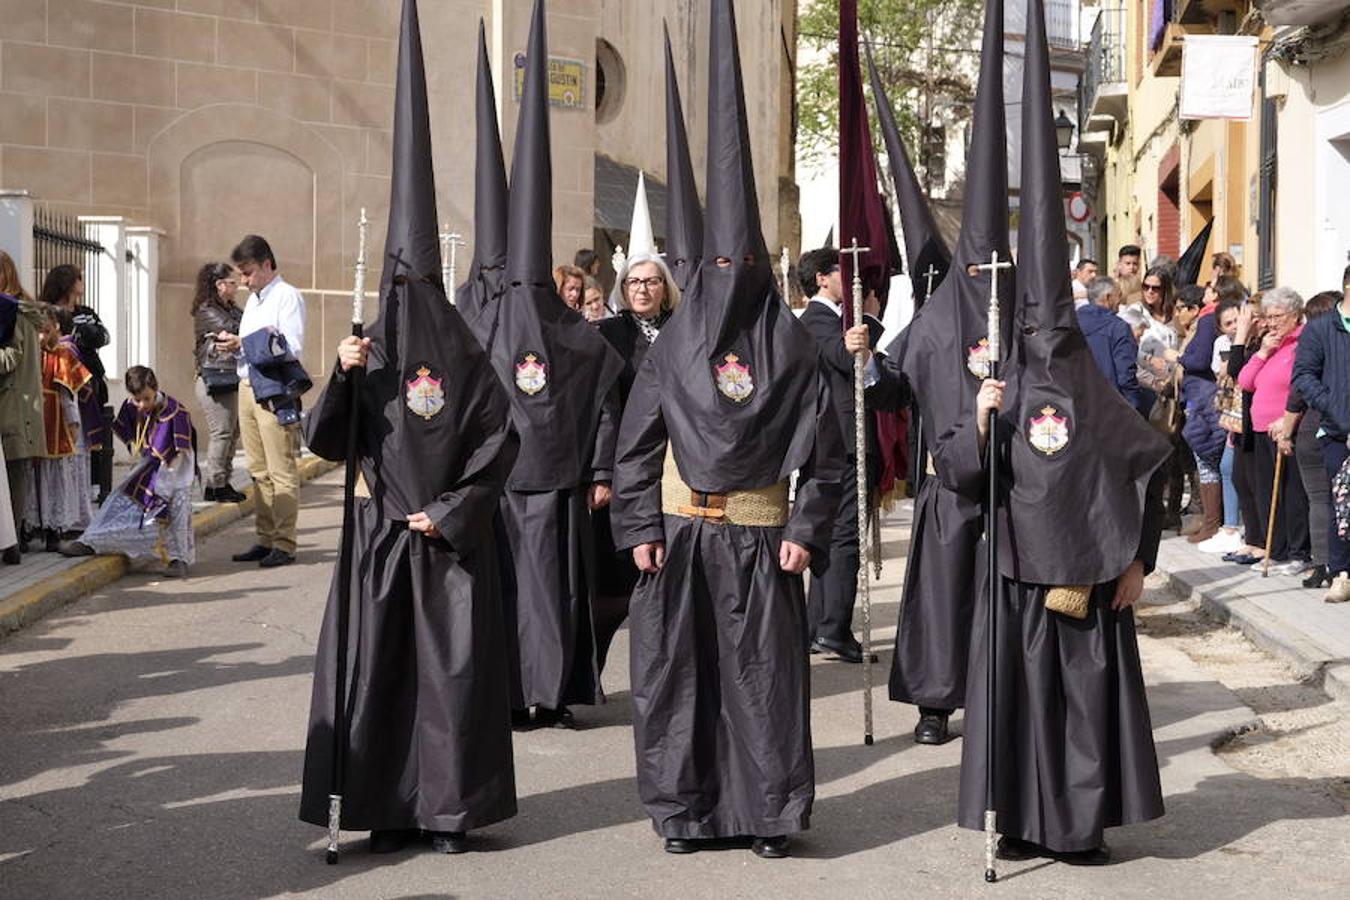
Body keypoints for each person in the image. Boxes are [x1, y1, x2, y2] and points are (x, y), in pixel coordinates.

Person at [613, 0, 844, 859]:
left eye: (742, 263)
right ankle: (685, 811)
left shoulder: (791, 346)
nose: (729, 275)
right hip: (679, 536)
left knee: (762, 683)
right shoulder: (673, 346)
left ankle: (769, 815)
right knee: (677, 679)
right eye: (716, 264)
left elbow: (828, 458)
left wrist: (807, 532)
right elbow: (636, 444)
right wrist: (638, 524)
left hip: (758, 538)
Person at [298, 0, 519, 856]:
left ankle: (449, 812)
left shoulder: (467, 355)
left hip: (446, 543)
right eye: (400, 287)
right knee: (378, 676)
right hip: (378, 535)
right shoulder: (369, 351)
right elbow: (327, 441)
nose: (409, 302)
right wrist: (343, 375)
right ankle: (383, 808)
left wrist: (452, 511)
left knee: (449, 680)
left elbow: (499, 442)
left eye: (419, 285)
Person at [956, 2, 1171, 864]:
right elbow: (967, 478)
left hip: (1085, 577)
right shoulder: (1002, 383)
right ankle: (1015, 819)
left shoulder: (1095, 384)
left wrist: (1136, 561)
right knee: (1016, 706)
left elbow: (1150, 465)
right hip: (1015, 574)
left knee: (1080, 708)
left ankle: (1077, 828)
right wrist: (980, 423)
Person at [488, 3, 624, 729]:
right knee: (510, 594)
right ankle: (513, 692)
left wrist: (600, 472)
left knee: (557, 594)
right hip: (501, 488)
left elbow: (604, 406)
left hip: (561, 488)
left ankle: (558, 690)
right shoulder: (484, 329)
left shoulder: (579, 337)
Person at [797, 245, 901, 662]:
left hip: (837, 444)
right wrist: (870, 318)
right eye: (842, 271)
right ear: (821, 279)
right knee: (843, 538)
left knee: (830, 537)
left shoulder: (830, 320)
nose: (853, 280)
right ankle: (833, 628)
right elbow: (843, 357)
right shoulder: (817, 320)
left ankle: (817, 625)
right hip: (840, 444)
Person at [592, 252, 679, 672]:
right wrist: (602, 473)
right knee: (613, 585)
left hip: (675, 464)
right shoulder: (607, 334)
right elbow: (602, 408)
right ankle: (591, 669)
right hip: (625, 464)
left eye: (651, 281)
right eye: (633, 282)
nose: (642, 289)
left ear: (666, 288)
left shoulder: (682, 330)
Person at [219, 234, 306, 568]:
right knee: (258, 470)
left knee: (280, 469)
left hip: (274, 389)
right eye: (241, 274)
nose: (243, 280)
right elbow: (257, 345)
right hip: (246, 386)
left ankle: (284, 543)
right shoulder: (255, 300)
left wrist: (243, 344)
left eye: (248, 272)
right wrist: (235, 345)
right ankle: (265, 537)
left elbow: (290, 346)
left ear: (267, 264)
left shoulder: (287, 296)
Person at [60, 366, 194, 576]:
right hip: (145, 468)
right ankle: (90, 541)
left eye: (146, 399)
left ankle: (178, 560)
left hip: (175, 473)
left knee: (176, 511)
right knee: (117, 502)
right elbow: (129, 433)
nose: (142, 405)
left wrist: (166, 483)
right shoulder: (132, 406)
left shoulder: (175, 412)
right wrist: (136, 453)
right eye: (137, 399)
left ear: (155, 388)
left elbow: (180, 452)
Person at [1240, 287, 1311, 576]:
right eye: (1267, 317)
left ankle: (1299, 552)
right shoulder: (1271, 346)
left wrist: (1287, 420)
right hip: (1260, 429)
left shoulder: (1302, 342)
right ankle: (1277, 550)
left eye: (1277, 316)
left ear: (1294, 314)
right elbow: (1245, 381)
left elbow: (1302, 385)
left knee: (1292, 492)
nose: (1271, 323)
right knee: (1268, 493)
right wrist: (1263, 352)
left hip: (1286, 427)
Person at [1291, 267, 1350, 602]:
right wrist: (1335, 410)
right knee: (1339, 501)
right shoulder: (1320, 329)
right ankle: (1340, 572)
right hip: (1335, 430)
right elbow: (1303, 375)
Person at [1281, 291, 1342, 589]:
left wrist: (1286, 432)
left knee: (1320, 499)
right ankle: (1334, 565)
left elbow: (1297, 395)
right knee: (1332, 500)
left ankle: (1322, 565)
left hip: (1313, 429)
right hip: (1327, 430)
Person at [39, 264, 111, 503]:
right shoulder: (49, 311)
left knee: (92, 434)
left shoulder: (86, 312)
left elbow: (104, 336)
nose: (83, 282)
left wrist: (88, 333)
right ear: (68, 282)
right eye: (79, 278)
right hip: (61, 381)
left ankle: (95, 484)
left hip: (90, 381)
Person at [25, 305, 94, 550]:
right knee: (30, 475)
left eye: (45, 331)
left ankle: (53, 529)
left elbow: (68, 396)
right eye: (37, 332)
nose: (41, 337)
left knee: (53, 476)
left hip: (54, 421)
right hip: (31, 418)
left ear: (55, 328)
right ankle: (29, 526)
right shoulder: (28, 354)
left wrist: (73, 424)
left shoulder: (63, 355)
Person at [0, 252, 44, 564]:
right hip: (20, 406)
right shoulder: (19, 308)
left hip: (13, 404)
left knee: (12, 475)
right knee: (14, 475)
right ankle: (12, 540)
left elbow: (10, 358)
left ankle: (11, 541)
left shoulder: (12, 311)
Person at [1196, 298, 1248, 555]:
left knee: (1232, 468)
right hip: (1231, 413)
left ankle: (1235, 528)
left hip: (1247, 414)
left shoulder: (1251, 342)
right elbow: (1222, 374)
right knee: (1228, 467)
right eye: (1228, 323)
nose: (1234, 326)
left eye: (1237, 320)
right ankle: (1231, 527)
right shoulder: (1221, 344)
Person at [192, 262, 246, 503]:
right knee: (222, 432)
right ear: (220, 285)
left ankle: (223, 481)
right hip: (213, 377)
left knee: (232, 432)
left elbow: (245, 326)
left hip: (228, 375)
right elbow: (237, 328)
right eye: (233, 282)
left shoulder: (230, 308)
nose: (237, 286)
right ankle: (215, 485)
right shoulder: (207, 310)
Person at [1077, 275, 1141, 408]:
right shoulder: (1119, 328)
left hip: (1076, 403)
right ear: (1108, 298)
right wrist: (1133, 407)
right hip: (1110, 406)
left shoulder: (1071, 323)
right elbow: (1125, 375)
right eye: (1119, 295)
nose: (1121, 300)